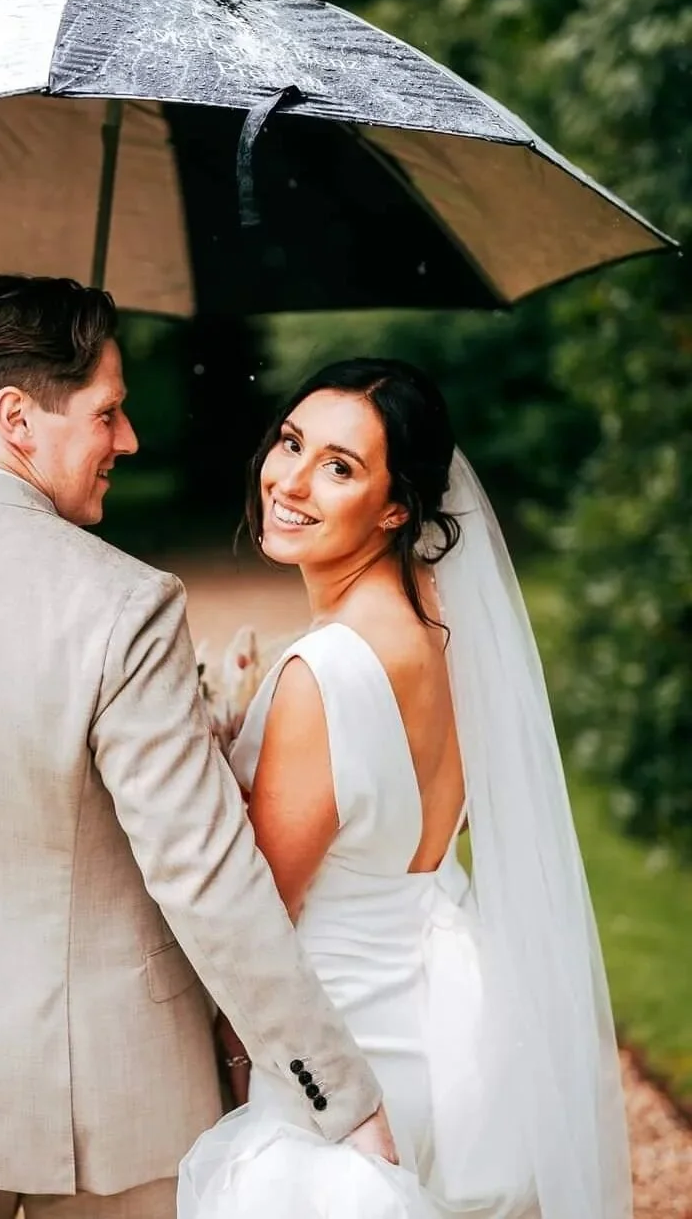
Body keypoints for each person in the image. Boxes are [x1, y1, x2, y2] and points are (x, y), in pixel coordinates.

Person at [0, 275, 390, 1219]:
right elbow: (206, 878)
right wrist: (334, 1090)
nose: (127, 439)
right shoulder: (122, 604)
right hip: (102, 1096)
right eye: (108, 410)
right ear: (19, 417)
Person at [179, 358, 632, 1219]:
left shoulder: (325, 672)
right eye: (291, 443)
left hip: (339, 1061)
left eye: (340, 467)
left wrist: (237, 1077)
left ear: (396, 508)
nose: (293, 480)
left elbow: (258, 920)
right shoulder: (447, 631)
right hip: (447, 1046)